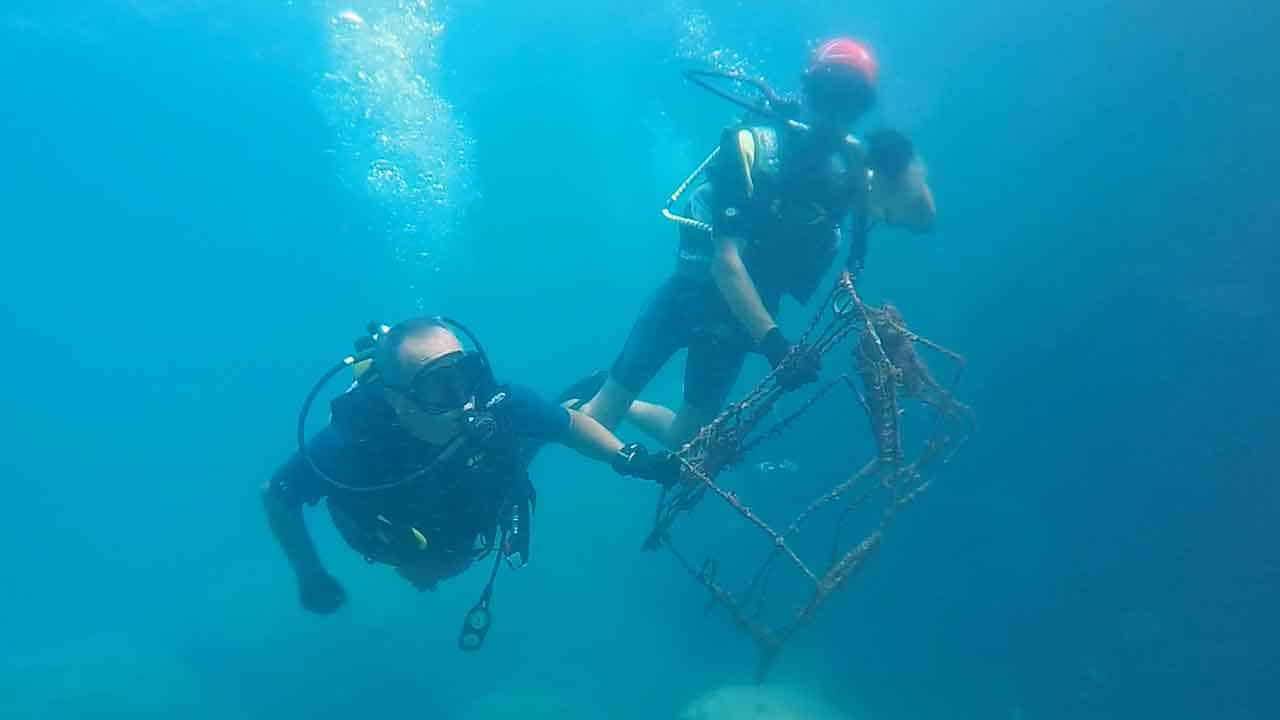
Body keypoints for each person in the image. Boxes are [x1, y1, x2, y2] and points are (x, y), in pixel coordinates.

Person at [563, 38, 936, 449]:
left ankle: (617, 400)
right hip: (688, 299)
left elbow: (921, 218)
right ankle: (544, 420)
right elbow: (725, 262)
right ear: (808, 91)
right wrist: (776, 346)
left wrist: (902, 164)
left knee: (686, 439)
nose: (835, 111)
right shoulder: (751, 150)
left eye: (851, 101)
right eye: (828, 93)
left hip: (741, 324)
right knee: (599, 420)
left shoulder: (851, 174)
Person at [262, 317, 679, 628]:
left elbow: (568, 428)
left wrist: (627, 456)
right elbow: (277, 495)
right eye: (438, 386)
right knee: (431, 562)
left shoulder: (492, 402)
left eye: (466, 375)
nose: (465, 401)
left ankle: (586, 393)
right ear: (396, 400)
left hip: (474, 485)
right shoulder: (349, 446)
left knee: (537, 428)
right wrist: (310, 573)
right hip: (408, 525)